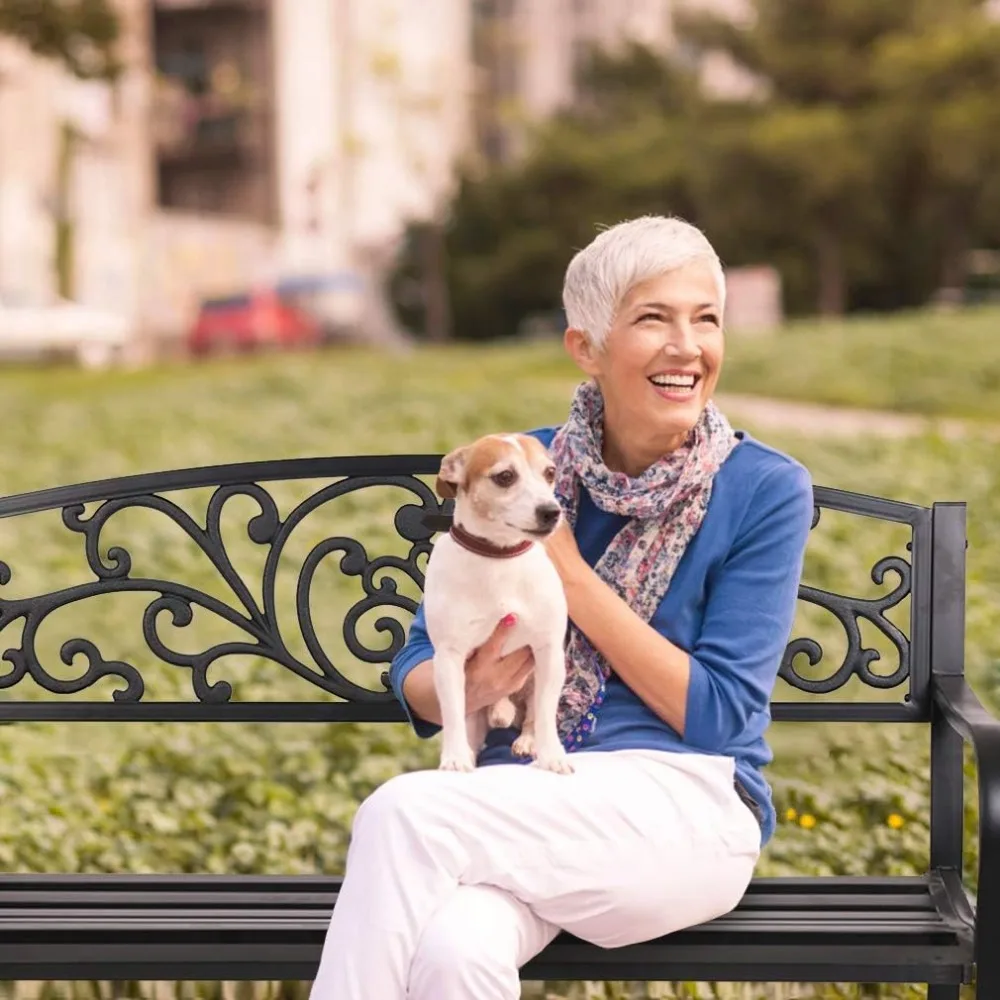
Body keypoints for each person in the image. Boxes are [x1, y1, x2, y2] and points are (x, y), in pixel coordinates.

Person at [308, 215, 814, 999]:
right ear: (587, 347)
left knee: (406, 814)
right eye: (654, 317)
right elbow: (419, 658)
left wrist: (569, 575)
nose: (688, 346)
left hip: (687, 808)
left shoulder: (763, 489)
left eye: (705, 319)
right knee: (450, 953)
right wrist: (467, 686)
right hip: (532, 797)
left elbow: (719, 716)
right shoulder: (524, 466)